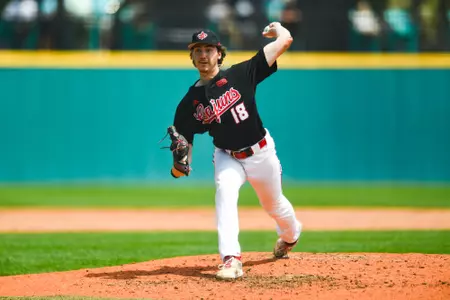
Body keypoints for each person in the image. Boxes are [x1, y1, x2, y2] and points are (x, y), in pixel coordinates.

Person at [167, 22, 302, 280]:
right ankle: (231, 259)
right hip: (227, 156)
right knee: (225, 194)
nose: (203, 55)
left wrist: (280, 29)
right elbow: (183, 160)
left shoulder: (242, 74)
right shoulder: (188, 104)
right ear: (192, 56)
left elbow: (284, 42)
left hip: (261, 153)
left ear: (219, 53)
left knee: (274, 205)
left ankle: (291, 234)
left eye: (209, 49)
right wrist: (179, 166)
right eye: (198, 50)